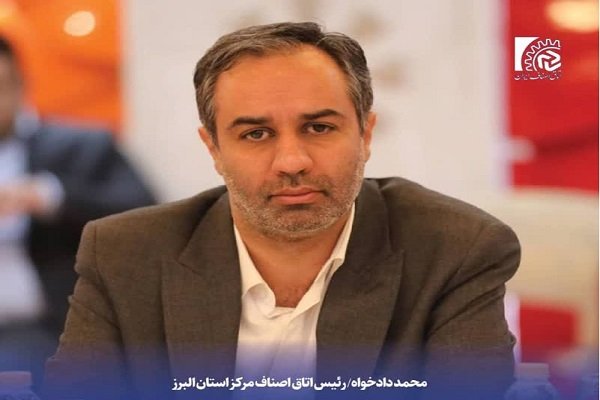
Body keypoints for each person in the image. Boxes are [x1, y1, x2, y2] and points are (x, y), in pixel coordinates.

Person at [44, 22, 520, 400]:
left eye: (319, 127)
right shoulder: (125, 254)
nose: (292, 161)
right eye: (256, 134)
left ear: (365, 135)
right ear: (213, 149)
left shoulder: (456, 249)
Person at [0, 36, 156, 387]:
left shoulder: (81, 145)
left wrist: (48, 196)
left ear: (20, 86)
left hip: (50, 331)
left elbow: (144, 214)